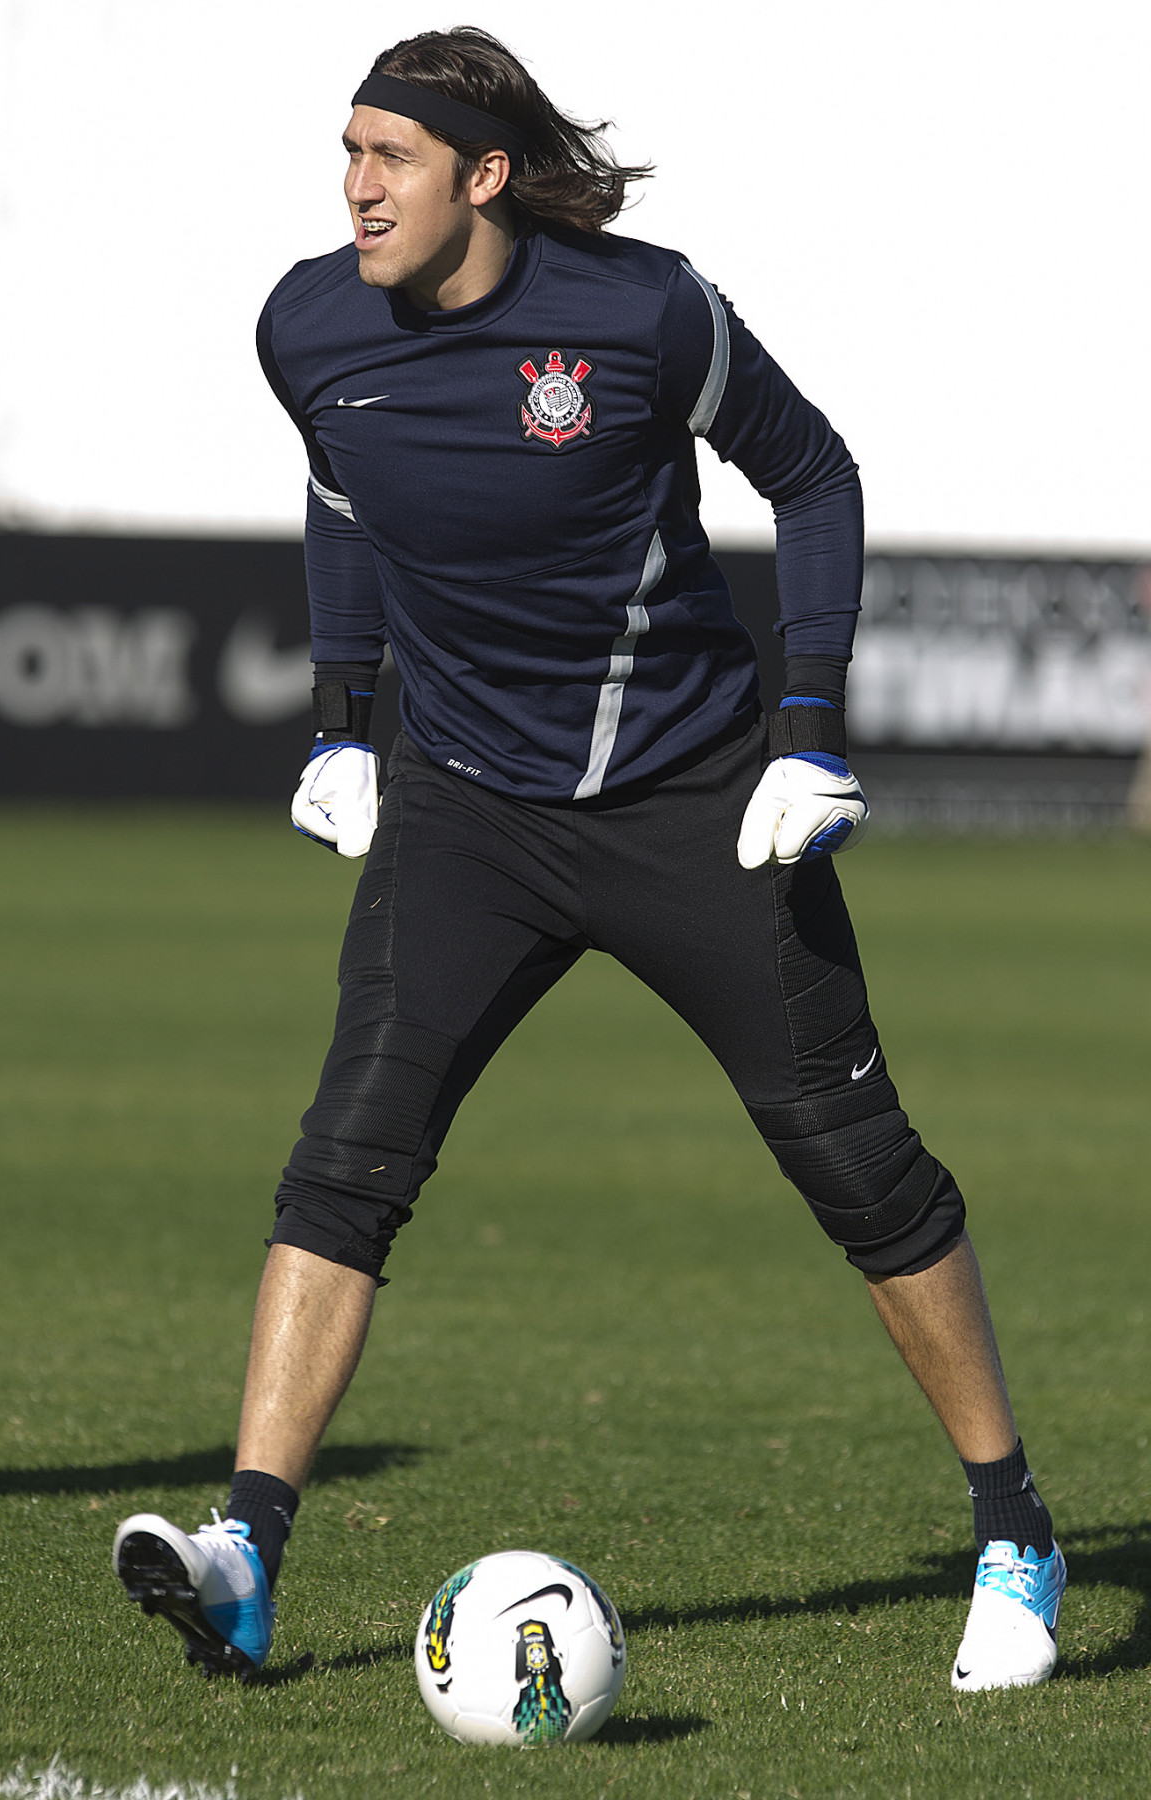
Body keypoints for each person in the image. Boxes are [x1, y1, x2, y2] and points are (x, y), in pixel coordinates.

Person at [113, 25, 1064, 1694]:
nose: (355, 189)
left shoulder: (643, 312)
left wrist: (814, 722)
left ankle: (1015, 1536)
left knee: (860, 1166)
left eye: (388, 157)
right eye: (344, 152)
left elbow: (814, 471)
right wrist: (345, 716)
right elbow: (339, 492)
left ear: (484, 176)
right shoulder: (307, 324)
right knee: (347, 1161)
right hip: (465, 809)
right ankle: (246, 1553)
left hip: (691, 797)